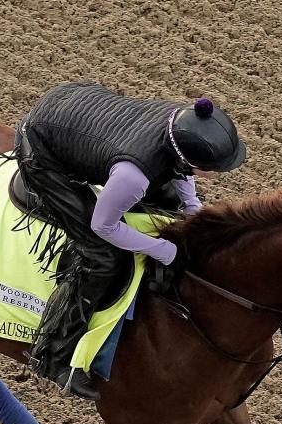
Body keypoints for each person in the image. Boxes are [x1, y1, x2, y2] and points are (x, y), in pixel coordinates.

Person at [14, 82, 247, 400]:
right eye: (214, 169)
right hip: (42, 156)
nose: (219, 173)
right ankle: (55, 354)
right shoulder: (133, 176)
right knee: (102, 257)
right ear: (191, 159)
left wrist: (198, 216)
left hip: (73, 104)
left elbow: (181, 177)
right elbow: (103, 226)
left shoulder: (178, 121)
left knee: (168, 200)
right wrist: (162, 249)